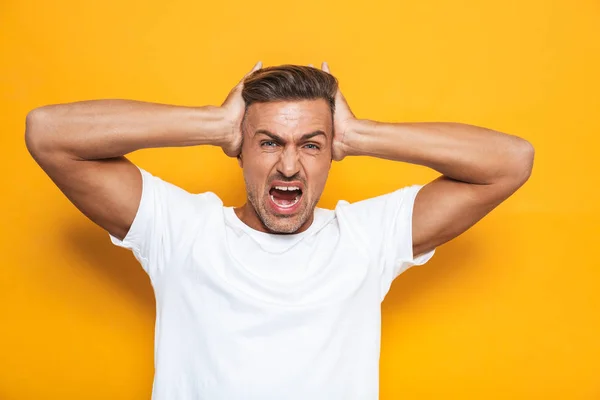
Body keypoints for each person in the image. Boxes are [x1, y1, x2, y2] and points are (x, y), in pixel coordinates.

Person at [24, 61, 534, 400]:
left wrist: (357, 133)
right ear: (239, 150)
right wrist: (212, 123)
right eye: (268, 142)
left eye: (311, 145)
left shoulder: (365, 238)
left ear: (332, 153)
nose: (289, 166)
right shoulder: (180, 230)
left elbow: (511, 161)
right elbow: (48, 133)